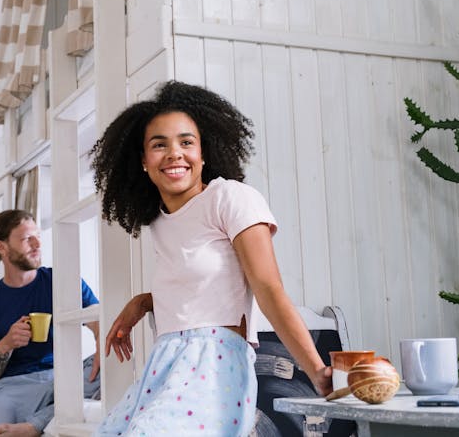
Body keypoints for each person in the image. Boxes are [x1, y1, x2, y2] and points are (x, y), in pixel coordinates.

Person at [90, 81, 333, 436]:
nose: (174, 153)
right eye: (159, 145)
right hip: (165, 363)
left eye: (186, 142)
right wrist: (144, 302)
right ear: (143, 161)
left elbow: (267, 287)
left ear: (204, 153)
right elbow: (203, 289)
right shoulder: (158, 222)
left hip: (215, 364)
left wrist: (316, 371)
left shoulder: (230, 198)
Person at [0, 209, 101, 437]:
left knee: (110, 360)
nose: (38, 243)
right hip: (11, 389)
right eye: (28, 238)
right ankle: (41, 420)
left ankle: (33, 426)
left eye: (38, 236)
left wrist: (100, 344)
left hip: (61, 378)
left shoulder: (62, 282)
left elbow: (99, 324)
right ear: (2, 247)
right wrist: (6, 344)